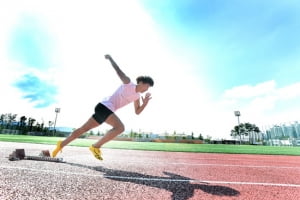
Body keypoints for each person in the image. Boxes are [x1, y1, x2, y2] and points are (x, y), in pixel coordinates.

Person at [51, 54, 154, 160]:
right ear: (141, 83)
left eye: (149, 88)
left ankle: (61, 144)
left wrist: (145, 103)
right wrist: (110, 58)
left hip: (105, 110)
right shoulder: (128, 83)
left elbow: (137, 111)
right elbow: (118, 70)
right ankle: (95, 146)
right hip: (105, 107)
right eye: (147, 86)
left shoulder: (137, 97)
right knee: (120, 128)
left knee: (82, 129)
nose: (147, 89)